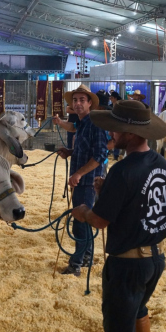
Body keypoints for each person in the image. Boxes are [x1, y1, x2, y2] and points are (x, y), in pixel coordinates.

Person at [70, 99, 166, 332]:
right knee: (139, 309)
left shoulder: (122, 171)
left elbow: (100, 221)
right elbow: (141, 204)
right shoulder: (160, 164)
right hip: (155, 259)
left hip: (127, 265)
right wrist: (107, 193)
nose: (110, 133)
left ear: (131, 133)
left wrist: (85, 211)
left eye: (116, 129)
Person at [52, 84, 108, 277]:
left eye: (82, 100)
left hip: (87, 181)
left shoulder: (95, 123)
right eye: (75, 100)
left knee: (80, 222)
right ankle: (86, 257)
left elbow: (100, 154)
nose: (77, 104)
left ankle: (75, 264)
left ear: (90, 103)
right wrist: (70, 152)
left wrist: (79, 174)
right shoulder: (83, 122)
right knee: (82, 221)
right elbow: (85, 147)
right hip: (82, 179)